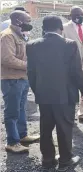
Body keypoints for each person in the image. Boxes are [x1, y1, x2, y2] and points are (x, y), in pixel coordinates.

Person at [26, 15, 83, 171]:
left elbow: (31, 73)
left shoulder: (32, 45)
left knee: (45, 128)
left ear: (43, 28)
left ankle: (47, 160)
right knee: (64, 128)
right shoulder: (69, 44)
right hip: (64, 96)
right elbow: (76, 72)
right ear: (60, 28)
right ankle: (65, 161)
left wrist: (37, 91)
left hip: (43, 95)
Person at [1, 11, 39, 154]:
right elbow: (6, 59)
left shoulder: (21, 35)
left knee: (21, 109)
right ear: (17, 20)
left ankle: (22, 136)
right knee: (12, 111)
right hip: (11, 79)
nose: (30, 23)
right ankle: (12, 142)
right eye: (27, 20)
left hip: (22, 78)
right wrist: (29, 65)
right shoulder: (8, 36)